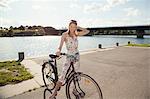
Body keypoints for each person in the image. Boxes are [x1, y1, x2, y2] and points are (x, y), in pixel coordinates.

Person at [49, 20, 90, 99]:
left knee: (75, 76)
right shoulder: (64, 35)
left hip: (77, 58)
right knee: (63, 76)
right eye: (71, 26)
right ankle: (54, 93)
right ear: (68, 26)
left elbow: (87, 31)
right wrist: (58, 51)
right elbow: (60, 46)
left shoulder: (76, 34)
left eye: (74, 27)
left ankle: (74, 90)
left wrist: (78, 27)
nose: (73, 28)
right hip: (69, 57)